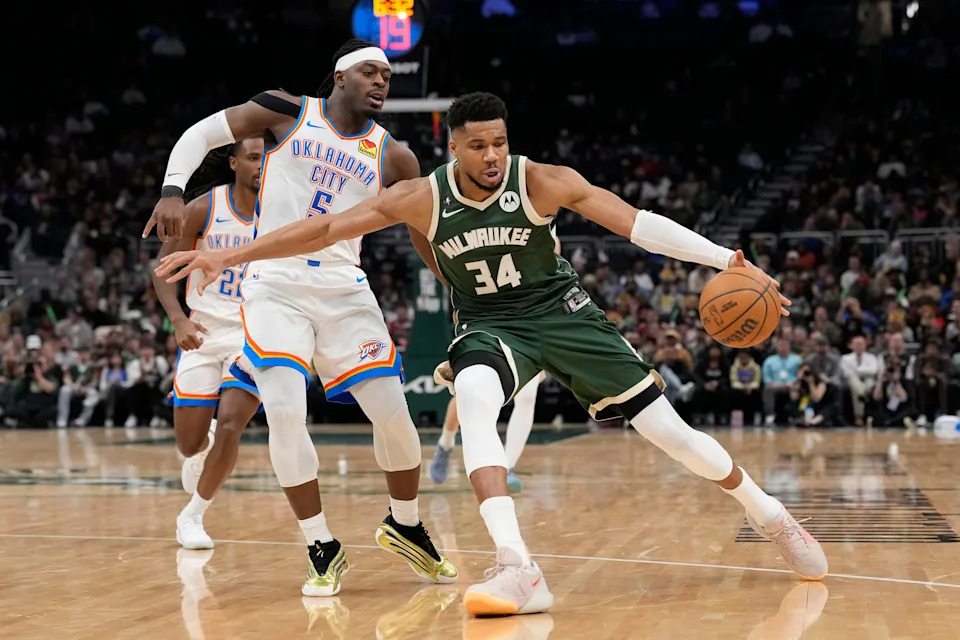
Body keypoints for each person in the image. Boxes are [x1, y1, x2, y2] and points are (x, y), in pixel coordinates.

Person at [156, 92, 828, 617]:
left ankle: (768, 513)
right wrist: (227, 252)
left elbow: (639, 227)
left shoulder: (543, 182)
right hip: (490, 324)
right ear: (454, 148)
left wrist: (728, 258)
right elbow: (325, 227)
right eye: (478, 146)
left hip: (563, 317)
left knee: (674, 437)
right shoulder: (421, 196)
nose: (492, 157)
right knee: (473, 403)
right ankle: (516, 564)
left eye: (500, 144)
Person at [145, 40, 456, 595]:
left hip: (344, 287)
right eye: (369, 72)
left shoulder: (395, 156)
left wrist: (457, 285)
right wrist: (172, 189)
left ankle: (404, 523)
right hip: (275, 285)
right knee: (286, 412)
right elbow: (201, 134)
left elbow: (421, 233)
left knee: (395, 417)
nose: (382, 82)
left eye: (387, 75)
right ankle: (320, 543)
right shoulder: (287, 113)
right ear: (339, 77)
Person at [149, 138, 265, 549]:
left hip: (254, 336)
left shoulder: (283, 211)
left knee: (234, 423)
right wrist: (178, 320)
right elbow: (162, 270)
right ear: (234, 163)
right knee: (189, 442)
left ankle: (192, 515)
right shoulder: (206, 208)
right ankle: (203, 445)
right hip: (203, 333)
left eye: (266, 157)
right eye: (252, 157)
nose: (261, 164)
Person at [429, 222, 562, 491]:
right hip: (485, 312)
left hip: (527, 319)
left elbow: (553, 273)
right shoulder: (484, 224)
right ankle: (445, 442)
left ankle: (507, 467)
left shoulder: (542, 228)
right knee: (472, 392)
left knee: (527, 396)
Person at [762, 338, 803, 426]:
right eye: (781, 345)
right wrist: (777, 385)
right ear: (777, 347)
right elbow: (767, 379)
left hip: (792, 384)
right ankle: (770, 416)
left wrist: (794, 383)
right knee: (768, 389)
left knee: (799, 388)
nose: (783, 348)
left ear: (789, 347)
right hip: (775, 385)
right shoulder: (769, 361)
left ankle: (798, 416)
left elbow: (801, 375)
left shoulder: (797, 359)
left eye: (785, 345)